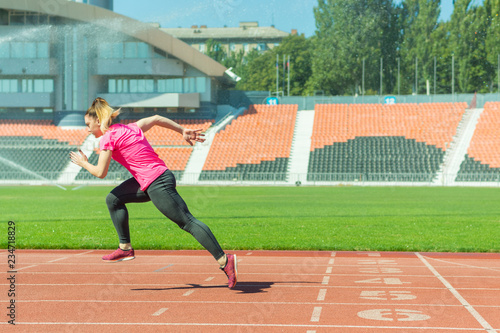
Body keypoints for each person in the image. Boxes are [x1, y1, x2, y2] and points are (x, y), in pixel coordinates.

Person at [69, 97, 237, 289]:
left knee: (187, 222)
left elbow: (100, 173)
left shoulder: (108, 137)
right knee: (113, 199)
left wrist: (83, 163)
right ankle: (125, 248)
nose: (87, 129)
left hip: (157, 182)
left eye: (88, 125)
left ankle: (225, 260)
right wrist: (182, 130)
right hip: (153, 180)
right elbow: (156, 118)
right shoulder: (131, 127)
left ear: (98, 121)